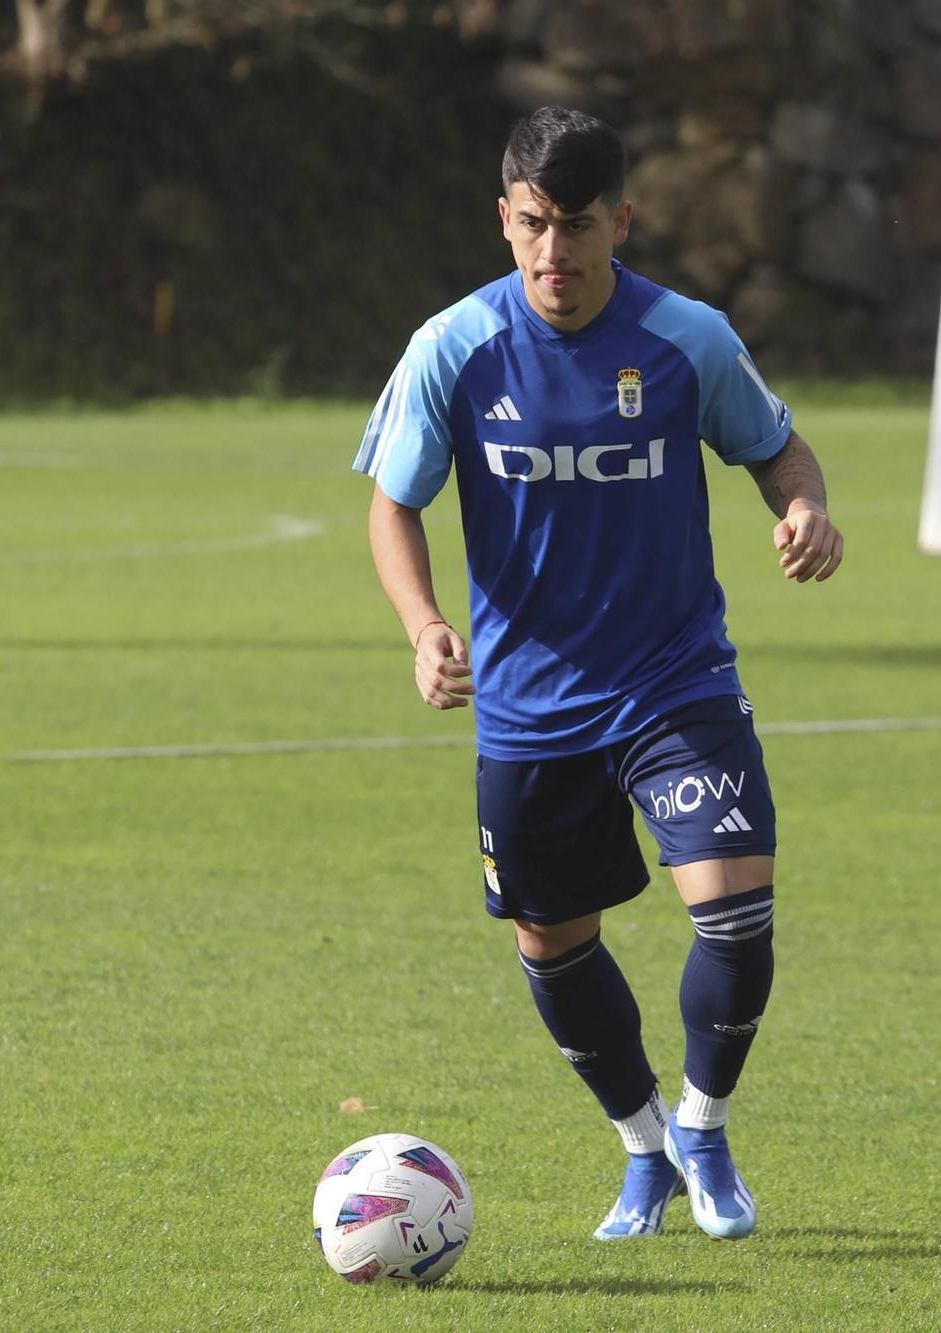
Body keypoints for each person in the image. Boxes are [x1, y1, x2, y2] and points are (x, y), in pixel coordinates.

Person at [353, 107, 844, 1242]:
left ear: (620, 221)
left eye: (577, 228)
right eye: (532, 225)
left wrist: (806, 506)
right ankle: (644, 1149)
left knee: (733, 916)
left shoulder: (686, 338)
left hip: (674, 683)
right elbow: (393, 503)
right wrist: (422, 623)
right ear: (503, 218)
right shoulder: (453, 346)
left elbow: (776, 447)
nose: (553, 254)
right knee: (553, 944)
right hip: (529, 709)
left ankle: (707, 1126)